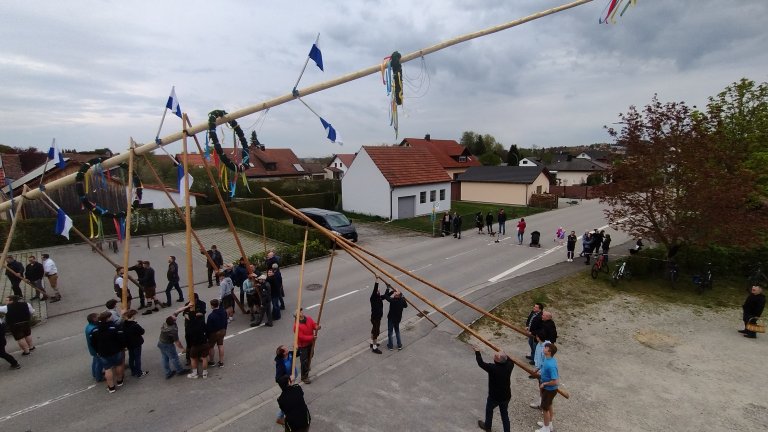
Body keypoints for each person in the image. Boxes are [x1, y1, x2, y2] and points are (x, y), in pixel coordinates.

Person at [473, 345, 514, 432]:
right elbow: (510, 360)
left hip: (494, 397)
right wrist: (504, 353)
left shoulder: (492, 368)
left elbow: (481, 363)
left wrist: (477, 352)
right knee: (504, 415)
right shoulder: (509, 366)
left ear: (497, 360)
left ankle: (487, 426)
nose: (494, 357)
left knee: (489, 410)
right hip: (506, 396)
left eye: (495, 356)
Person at [90, 311, 125, 393]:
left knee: (107, 369)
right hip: (116, 350)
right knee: (118, 365)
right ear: (107, 318)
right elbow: (121, 338)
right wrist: (121, 347)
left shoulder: (95, 330)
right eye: (111, 316)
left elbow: (93, 342)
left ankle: (111, 387)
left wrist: (97, 350)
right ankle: (119, 381)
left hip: (103, 352)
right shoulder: (114, 328)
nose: (112, 317)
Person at [157, 310, 191, 379]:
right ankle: (180, 370)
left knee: (164, 358)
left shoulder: (166, 323)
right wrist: (182, 349)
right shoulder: (173, 330)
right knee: (174, 358)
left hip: (161, 343)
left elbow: (176, 312)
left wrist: (187, 307)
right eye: (174, 318)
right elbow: (177, 342)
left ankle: (168, 373)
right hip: (168, 345)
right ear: (173, 322)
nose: (175, 317)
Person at [535, 343, 560, 432]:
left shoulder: (551, 365)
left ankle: (546, 429)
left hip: (550, 390)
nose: (544, 348)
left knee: (545, 408)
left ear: (549, 352)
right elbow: (544, 368)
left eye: (546, 347)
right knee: (549, 405)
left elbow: (555, 381)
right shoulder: (548, 359)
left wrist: (544, 384)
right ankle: (549, 423)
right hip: (548, 389)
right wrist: (539, 372)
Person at [274, 345, 299, 426]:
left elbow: (297, 354)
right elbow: (278, 379)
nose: (287, 348)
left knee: (291, 399)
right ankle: (279, 417)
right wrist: (288, 377)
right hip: (286, 384)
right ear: (284, 353)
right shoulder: (280, 363)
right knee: (289, 400)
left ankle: (290, 412)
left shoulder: (290, 354)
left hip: (292, 380)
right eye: (285, 349)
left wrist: (297, 349)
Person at [294, 308, 319, 383]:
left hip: (310, 343)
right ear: (297, 316)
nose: (301, 312)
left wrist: (316, 327)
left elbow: (313, 324)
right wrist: (312, 337)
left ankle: (307, 365)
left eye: (301, 311)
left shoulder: (308, 318)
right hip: (303, 346)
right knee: (304, 361)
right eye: (299, 312)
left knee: (311, 355)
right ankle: (304, 377)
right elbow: (301, 337)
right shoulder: (296, 326)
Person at [184, 305, 209, 379]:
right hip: (204, 343)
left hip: (195, 345)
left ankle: (195, 373)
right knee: (204, 358)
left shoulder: (189, 327)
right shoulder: (201, 322)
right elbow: (206, 330)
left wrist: (189, 346)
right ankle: (204, 373)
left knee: (193, 358)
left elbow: (187, 337)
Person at [122, 309, 148, 378]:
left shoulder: (124, 324)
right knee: (137, 358)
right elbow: (142, 331)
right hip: (136, 343)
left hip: (129, 343)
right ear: (132, 316)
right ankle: (139, 372)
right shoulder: (135, 325)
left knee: (131, 357)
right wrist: (136, 323)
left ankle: (133, 371)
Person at [383, 285, 407, 351]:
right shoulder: (402, 300)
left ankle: (390, 346)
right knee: (397, 331)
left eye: (396, 294)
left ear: (398, 296)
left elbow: (385, 296)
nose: (394, 294)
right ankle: (399, 345)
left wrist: (388, 289)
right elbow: (405, 306)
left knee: (390, 333)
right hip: (398, 319)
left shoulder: (393, 300)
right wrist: (403, 297)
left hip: (391, 319)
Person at [207, 298, 227, 367]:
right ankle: (221, 362)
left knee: (211, 346)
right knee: (220, 345)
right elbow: (225, 322)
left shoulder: (211, 316)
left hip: (214, 333)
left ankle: (212, 361)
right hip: (222, 330)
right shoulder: (223, 311)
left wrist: (207, 335)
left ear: (212, 306)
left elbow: (209, 327)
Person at [84, 313, 102, 380]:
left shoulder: (88, 326)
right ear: (94, 319)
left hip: (93, 349)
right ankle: (98, 377)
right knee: (99, 363)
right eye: (98, 317)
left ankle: (95, 373)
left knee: (95, 361)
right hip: (96, 349)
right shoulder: (93, 329)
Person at [369, 280, 384, 354]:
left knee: (373, 330)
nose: (378, 291)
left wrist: (388, 289)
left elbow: (384, 296)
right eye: (377, 291)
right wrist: (377, 281)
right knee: (376, 332)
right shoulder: (373, 298)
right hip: (375, 318)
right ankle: (374, 347)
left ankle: (372, 343)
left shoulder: (378, 297)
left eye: (379, 290)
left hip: (377, 318)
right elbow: (375, 289)